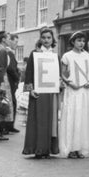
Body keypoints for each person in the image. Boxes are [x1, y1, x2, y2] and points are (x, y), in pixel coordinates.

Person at [22, 28, 61, 159]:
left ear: (53, 39)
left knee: (50, 120)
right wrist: (30, 89)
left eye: (49, 38)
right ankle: (38, 149)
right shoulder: (34, 54)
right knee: (38, 120)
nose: (46, 40)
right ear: (40, 39)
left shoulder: (55, 55)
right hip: (38, 92)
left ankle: (48, 149)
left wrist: (60, 84)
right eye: (43, 37)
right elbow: (28, 73)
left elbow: (58, 74)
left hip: (51, 93)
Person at [60, 31, 89, 159]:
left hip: (84, 91)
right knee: (73, 117)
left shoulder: (88, 56)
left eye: (83, 41)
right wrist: (69, 83)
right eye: (78, 40)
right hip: (73, 90)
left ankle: (80, 148)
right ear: (73, 42)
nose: (81, 43)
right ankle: (71, 148)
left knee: (83, 118)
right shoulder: (67, 56)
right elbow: (63, 73)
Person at [0, 33, 21, 135]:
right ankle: (5, 127)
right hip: (9, 81)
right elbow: (11, 68)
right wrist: (18, 78)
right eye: (15, 41)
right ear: (10, 41)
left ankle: (9, 126)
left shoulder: (10, 52)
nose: (16, 44)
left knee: (11, 103)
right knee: (9, 103)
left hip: (10, 81)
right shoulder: (9, 52)